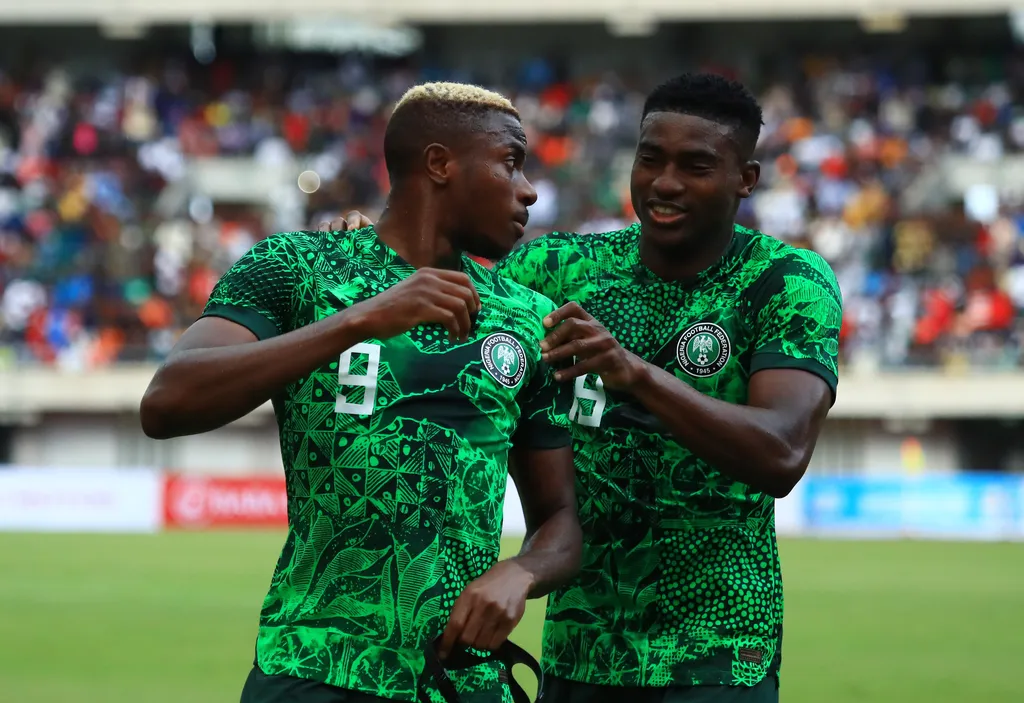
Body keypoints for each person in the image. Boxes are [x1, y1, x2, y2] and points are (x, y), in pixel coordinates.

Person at [321, 72, 844, 703]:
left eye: (696, 166)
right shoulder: (559, 268)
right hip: (579, 651)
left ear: (745, 179)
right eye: (650, 160)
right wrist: (364, 240)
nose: (665, 182)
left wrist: (635, 375)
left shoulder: (786, 282)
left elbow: (782, 454)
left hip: (717, 656)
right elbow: (429, 253)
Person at [140, 82, 582, 703]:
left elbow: (561, 520)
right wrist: (359, 319)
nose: (529, 188)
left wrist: (523, 571)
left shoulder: (528, 318)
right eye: (510, 163)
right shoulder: (298, 267)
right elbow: (165, 402)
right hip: (314, 669)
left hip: (462, 681)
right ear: (439, 164)